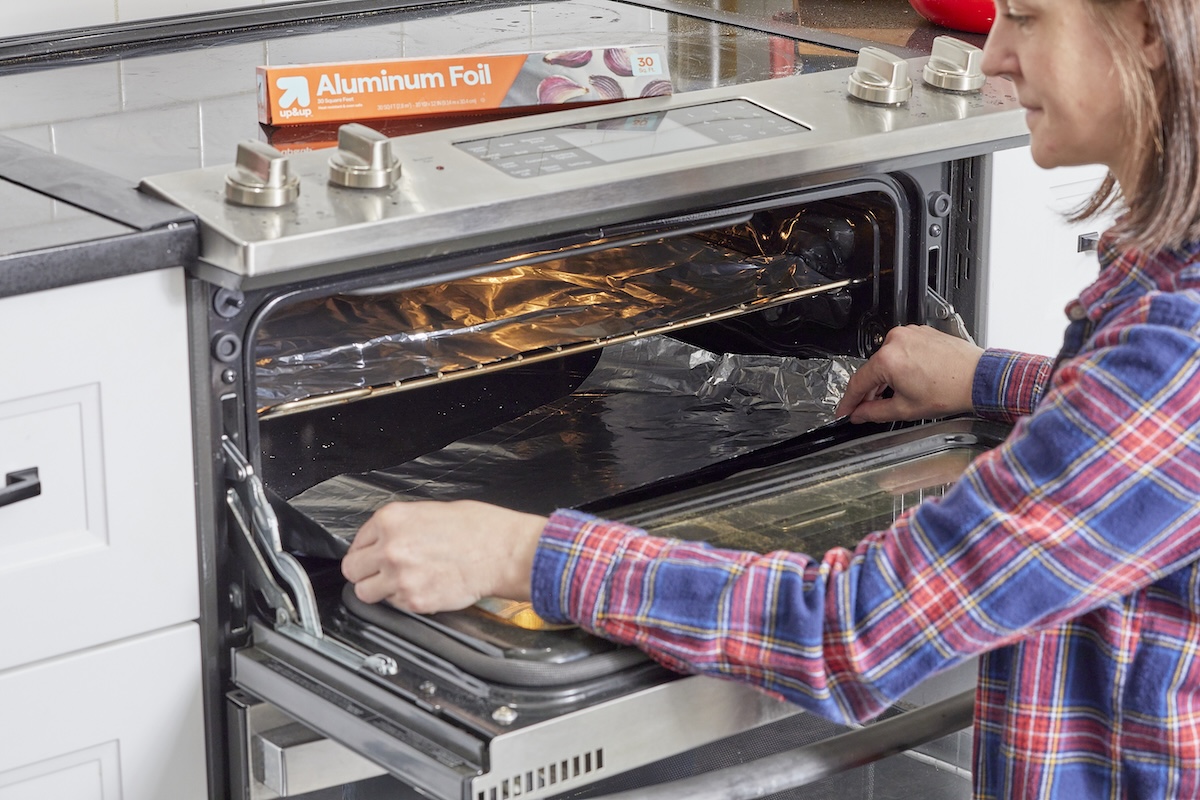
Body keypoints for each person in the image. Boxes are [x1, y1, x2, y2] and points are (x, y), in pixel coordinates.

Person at [341, 0, 1200, 796]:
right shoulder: (1165, 316)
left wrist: (521, 555)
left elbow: (857, 630)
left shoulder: (1174, 351)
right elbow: (1129, 446)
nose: (996, 55)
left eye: (1027, 15)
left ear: (1150, 30)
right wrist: (985, 378)